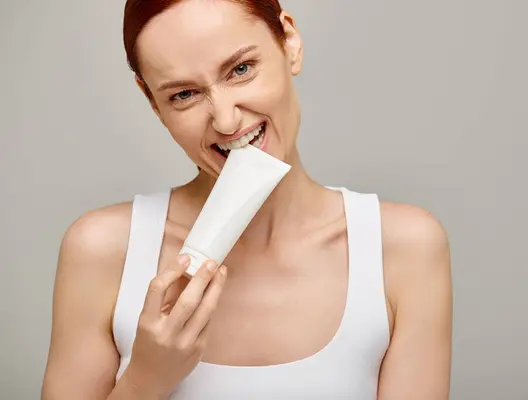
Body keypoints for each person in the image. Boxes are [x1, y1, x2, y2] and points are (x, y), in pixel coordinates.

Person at [41, 0, 453, 399]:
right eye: (184, 94)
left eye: (240, 69)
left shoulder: (402, 249)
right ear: (152, 101)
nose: (226, 120)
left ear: (289, 40)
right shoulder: (102, 251)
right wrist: (144, 382)